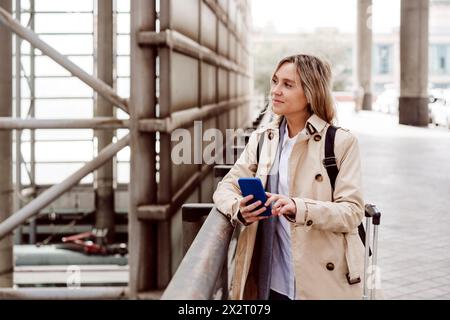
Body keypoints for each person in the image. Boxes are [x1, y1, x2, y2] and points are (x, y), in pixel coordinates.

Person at [212, 54, 366, 300]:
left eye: (287, 84)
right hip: (272, 280)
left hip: (323, 281)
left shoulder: (340, 143)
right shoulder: (263, 139)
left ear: (311, 92)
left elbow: (352, 211)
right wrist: (238, 208)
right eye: (275, 82)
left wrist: (299, 207)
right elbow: (225, 187)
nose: (275, 90)